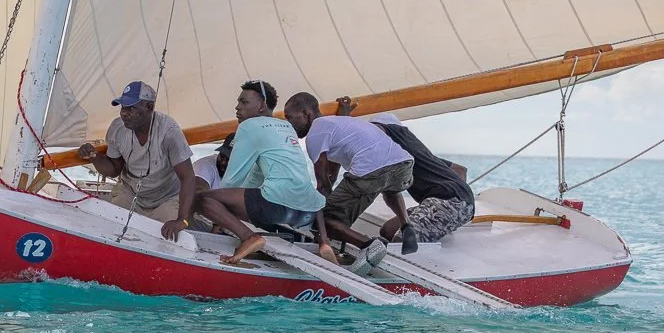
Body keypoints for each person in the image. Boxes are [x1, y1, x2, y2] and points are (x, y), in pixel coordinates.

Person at [187, 80, 335, 265]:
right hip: (308, 211)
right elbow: (256, 176)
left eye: (244, 102)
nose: (237, 107)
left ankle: (249, 237)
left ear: (262, 105)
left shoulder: (248, 126)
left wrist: (220, 214)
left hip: (277, 207)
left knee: (201, 198)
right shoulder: (286, 126)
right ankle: (324, 243)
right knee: (263, 195)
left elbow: (232, 180)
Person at [283, 92, 414, 271]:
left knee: (326, 218)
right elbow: (332, 174)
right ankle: (406, 225)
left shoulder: (315, 133)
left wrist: (320, 223)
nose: (288, 124)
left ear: (306, 113)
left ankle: (369, 245)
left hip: (372, 170)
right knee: (390, 189)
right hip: (403, 165)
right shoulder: (339, 123)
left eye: (289, 117)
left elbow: (322, 185)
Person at [338, 101, 476, 251]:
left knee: (401, 242)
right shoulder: (417, 152)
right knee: (387, 231)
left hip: (446, 202)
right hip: (451, 202)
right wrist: (456, 211)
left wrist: (343, 119)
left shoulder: (387, 136)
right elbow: (460, 170)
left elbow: (370, 133)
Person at [77, 80, 198, 237]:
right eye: (123, 107)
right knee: (110, 231)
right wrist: (94, 156)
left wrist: (182, 219)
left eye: (131, 108)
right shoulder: (117, 128)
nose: (124, 113)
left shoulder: (169, 131)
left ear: (149, 107)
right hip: (130, 192)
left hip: (165, 199)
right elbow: (114, 170)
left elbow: (188, 177)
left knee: (167, 237)